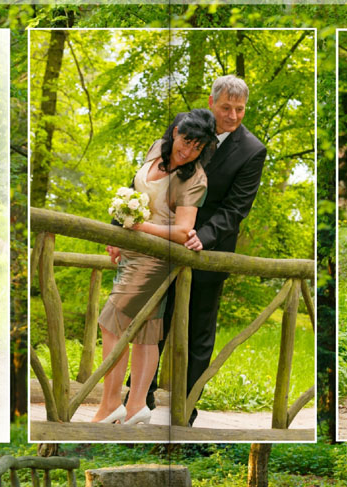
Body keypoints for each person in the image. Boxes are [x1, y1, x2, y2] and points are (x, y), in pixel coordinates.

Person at [111, 75, 268, 426]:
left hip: (206, 252)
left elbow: (235, 208)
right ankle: (138, 402)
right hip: (158, 246)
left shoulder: (252, 149)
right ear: (211, 103)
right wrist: (118, 226)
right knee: (151, 323)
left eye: (239, 109)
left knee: (198, 331)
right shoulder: (184, 125)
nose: (232, 115)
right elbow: (144, 177)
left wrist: (203, 237)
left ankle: (185, 412)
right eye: (226, 107)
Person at [92, 109, 217, 425]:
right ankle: (135, 408)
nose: (187, 151)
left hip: (156, 259)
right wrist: (120, 231)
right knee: (147, 332)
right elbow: (135, 194)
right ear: (175, 132)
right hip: (133, 252)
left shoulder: (195, 179)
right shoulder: (154, 150)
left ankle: (109, 405)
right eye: (185, 141)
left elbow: (182, 231)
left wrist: (138, 227)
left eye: (197, 147)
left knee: (112, 323)